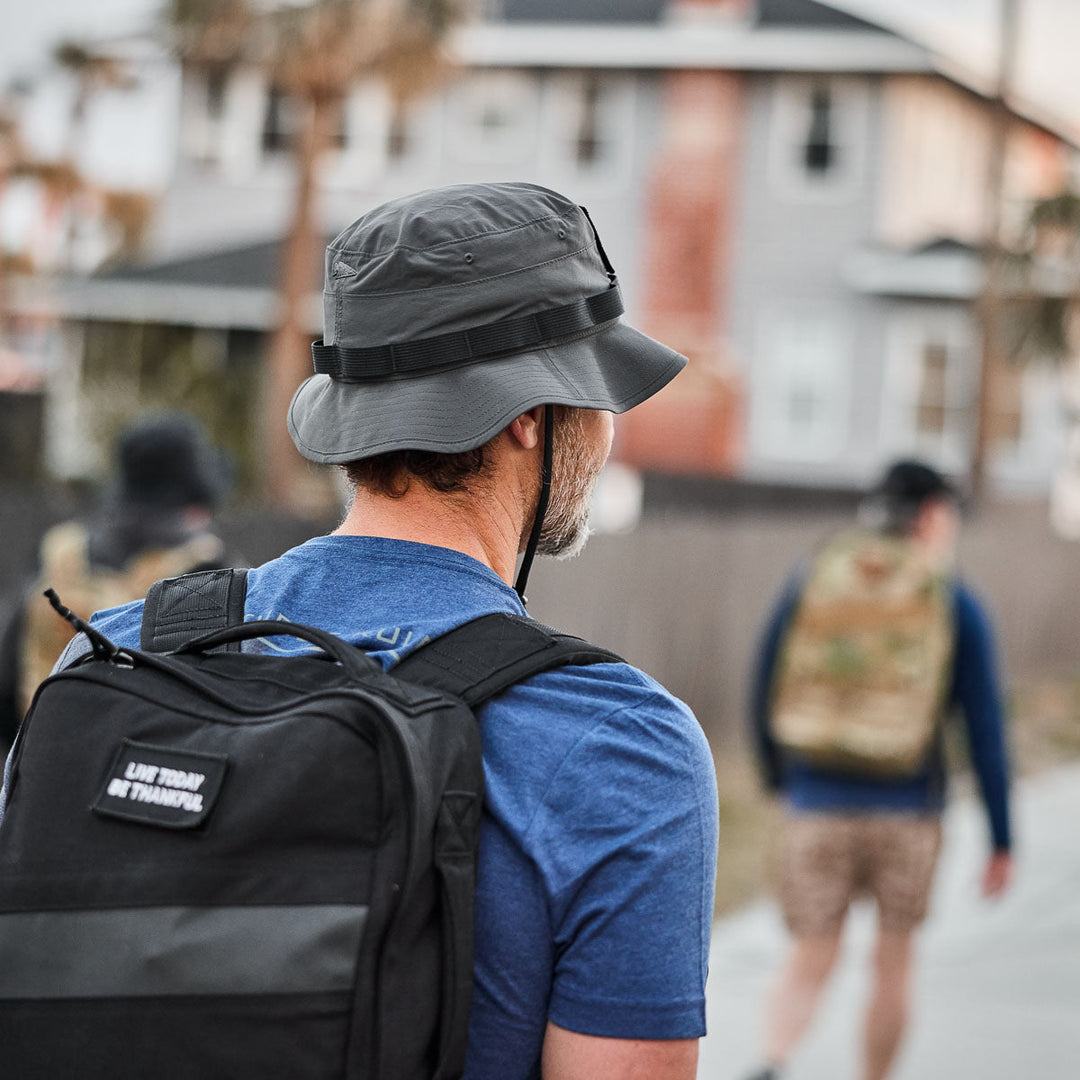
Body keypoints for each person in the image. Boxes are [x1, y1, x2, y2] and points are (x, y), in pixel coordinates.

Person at [47, 183, 720, 1079]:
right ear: (529, 417)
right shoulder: (620, 744)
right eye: (597, 392)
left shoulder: (120, 652)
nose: (604, 432)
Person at [743, 459, 1012, 1080]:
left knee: (811, 954)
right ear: (931, 516)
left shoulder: (816, 579)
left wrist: (780, 781)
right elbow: (985, 728)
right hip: (909, 811)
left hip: (815, 802)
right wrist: (1001, 837)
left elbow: (765, 683)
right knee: (893, 962)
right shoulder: (952, 597)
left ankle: (774, 1060)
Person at [0, 411, 233, 756]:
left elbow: (6, 679)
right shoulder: (210, 566)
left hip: (44, 761)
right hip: (149, 770)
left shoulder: (57, 552)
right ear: (193, 496)